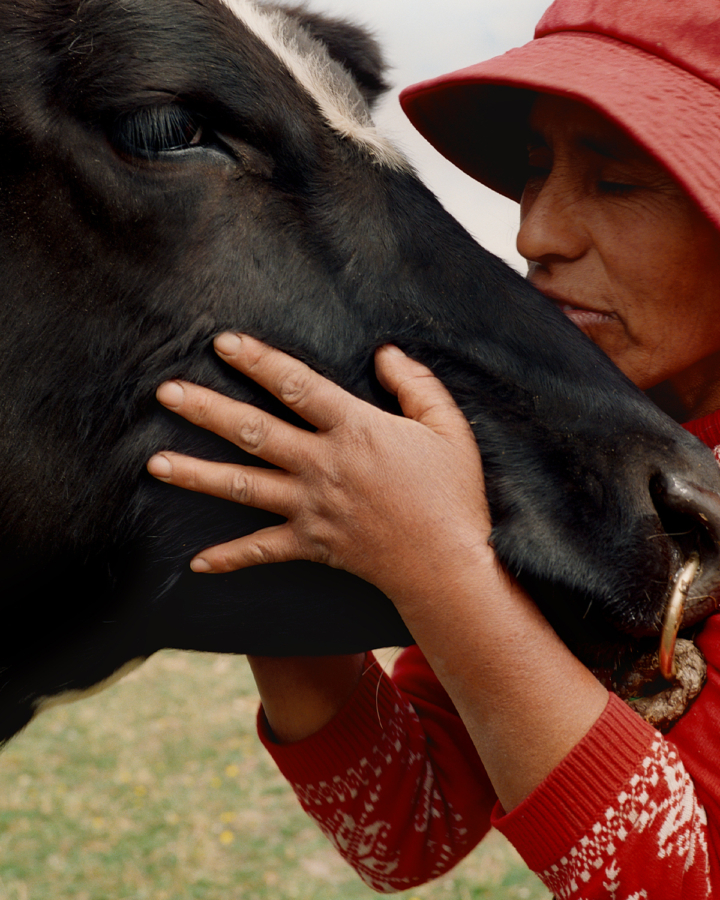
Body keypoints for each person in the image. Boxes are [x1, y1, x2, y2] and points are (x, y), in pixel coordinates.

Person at [146, 0, 720, 895]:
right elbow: (408, 829)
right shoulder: (556, 452)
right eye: (535, 173)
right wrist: (289, 504)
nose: (536, 236)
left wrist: (444, 571)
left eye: (616, 183)